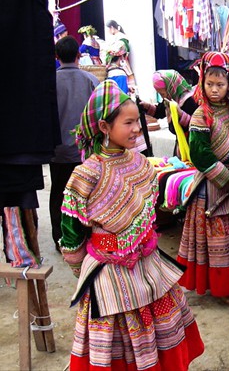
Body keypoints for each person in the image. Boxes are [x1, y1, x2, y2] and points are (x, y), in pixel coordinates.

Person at [59, 79, 204, 370]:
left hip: (147, 263)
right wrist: (84, 271)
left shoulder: (140, 164)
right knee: (121, 341)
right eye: (129, 122)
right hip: (110, 272)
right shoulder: (85, 175)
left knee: (158, 330)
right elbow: (71, 233)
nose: (137, 128)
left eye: (138, 120)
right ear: (103, 127)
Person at [176, 51, 229, 305]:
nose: (214, 90)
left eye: (220, 84)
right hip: (213, 186)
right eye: (209, 84)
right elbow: (200, 155)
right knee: (221, 242)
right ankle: (225, 289)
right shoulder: (202, 115)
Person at [49, 35, 100, 252]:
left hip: (57, 151)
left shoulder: (49, 81)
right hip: (85, 153)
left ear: (56, 56)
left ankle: (60, 239)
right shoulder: (91, 80)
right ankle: (86, 237)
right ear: (79, 55)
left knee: (59, 193)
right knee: (86, 194)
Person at [140, 70, 198, 158]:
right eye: (160, 94)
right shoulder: (170, 98)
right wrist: (147, 106)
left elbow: (197, 125)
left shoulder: (191, 101)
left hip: (193, 146)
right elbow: (159, 111)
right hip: (180, 145)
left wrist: (181, 114)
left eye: (163, 93)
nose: (163, 97)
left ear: (171, 87)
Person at [106, 19, 136, 92]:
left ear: (112, 28)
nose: (108, 32)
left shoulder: (121, 38)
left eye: (108, 29)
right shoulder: (116, 38)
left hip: (121, 63)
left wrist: (110, 52)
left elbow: (122, 49)